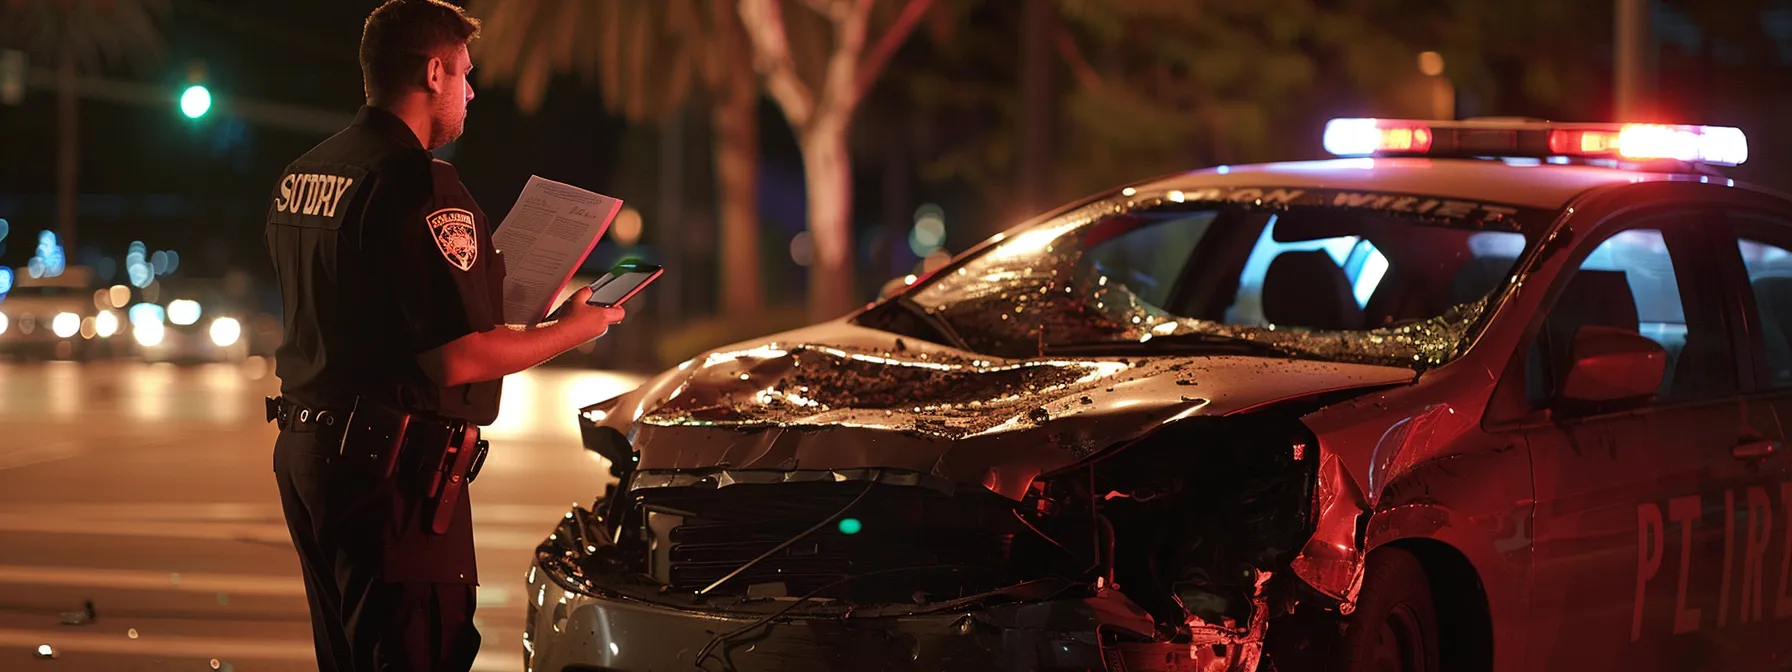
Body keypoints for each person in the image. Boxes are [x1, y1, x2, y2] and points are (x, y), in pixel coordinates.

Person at [261, 1, 624, 670]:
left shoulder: (303, 175)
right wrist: (575, 330)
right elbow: (459, 356)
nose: (471, 90)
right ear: (434, 73)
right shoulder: (419, 184)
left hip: (310, 458)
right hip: (391, 480)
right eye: (464, 73)